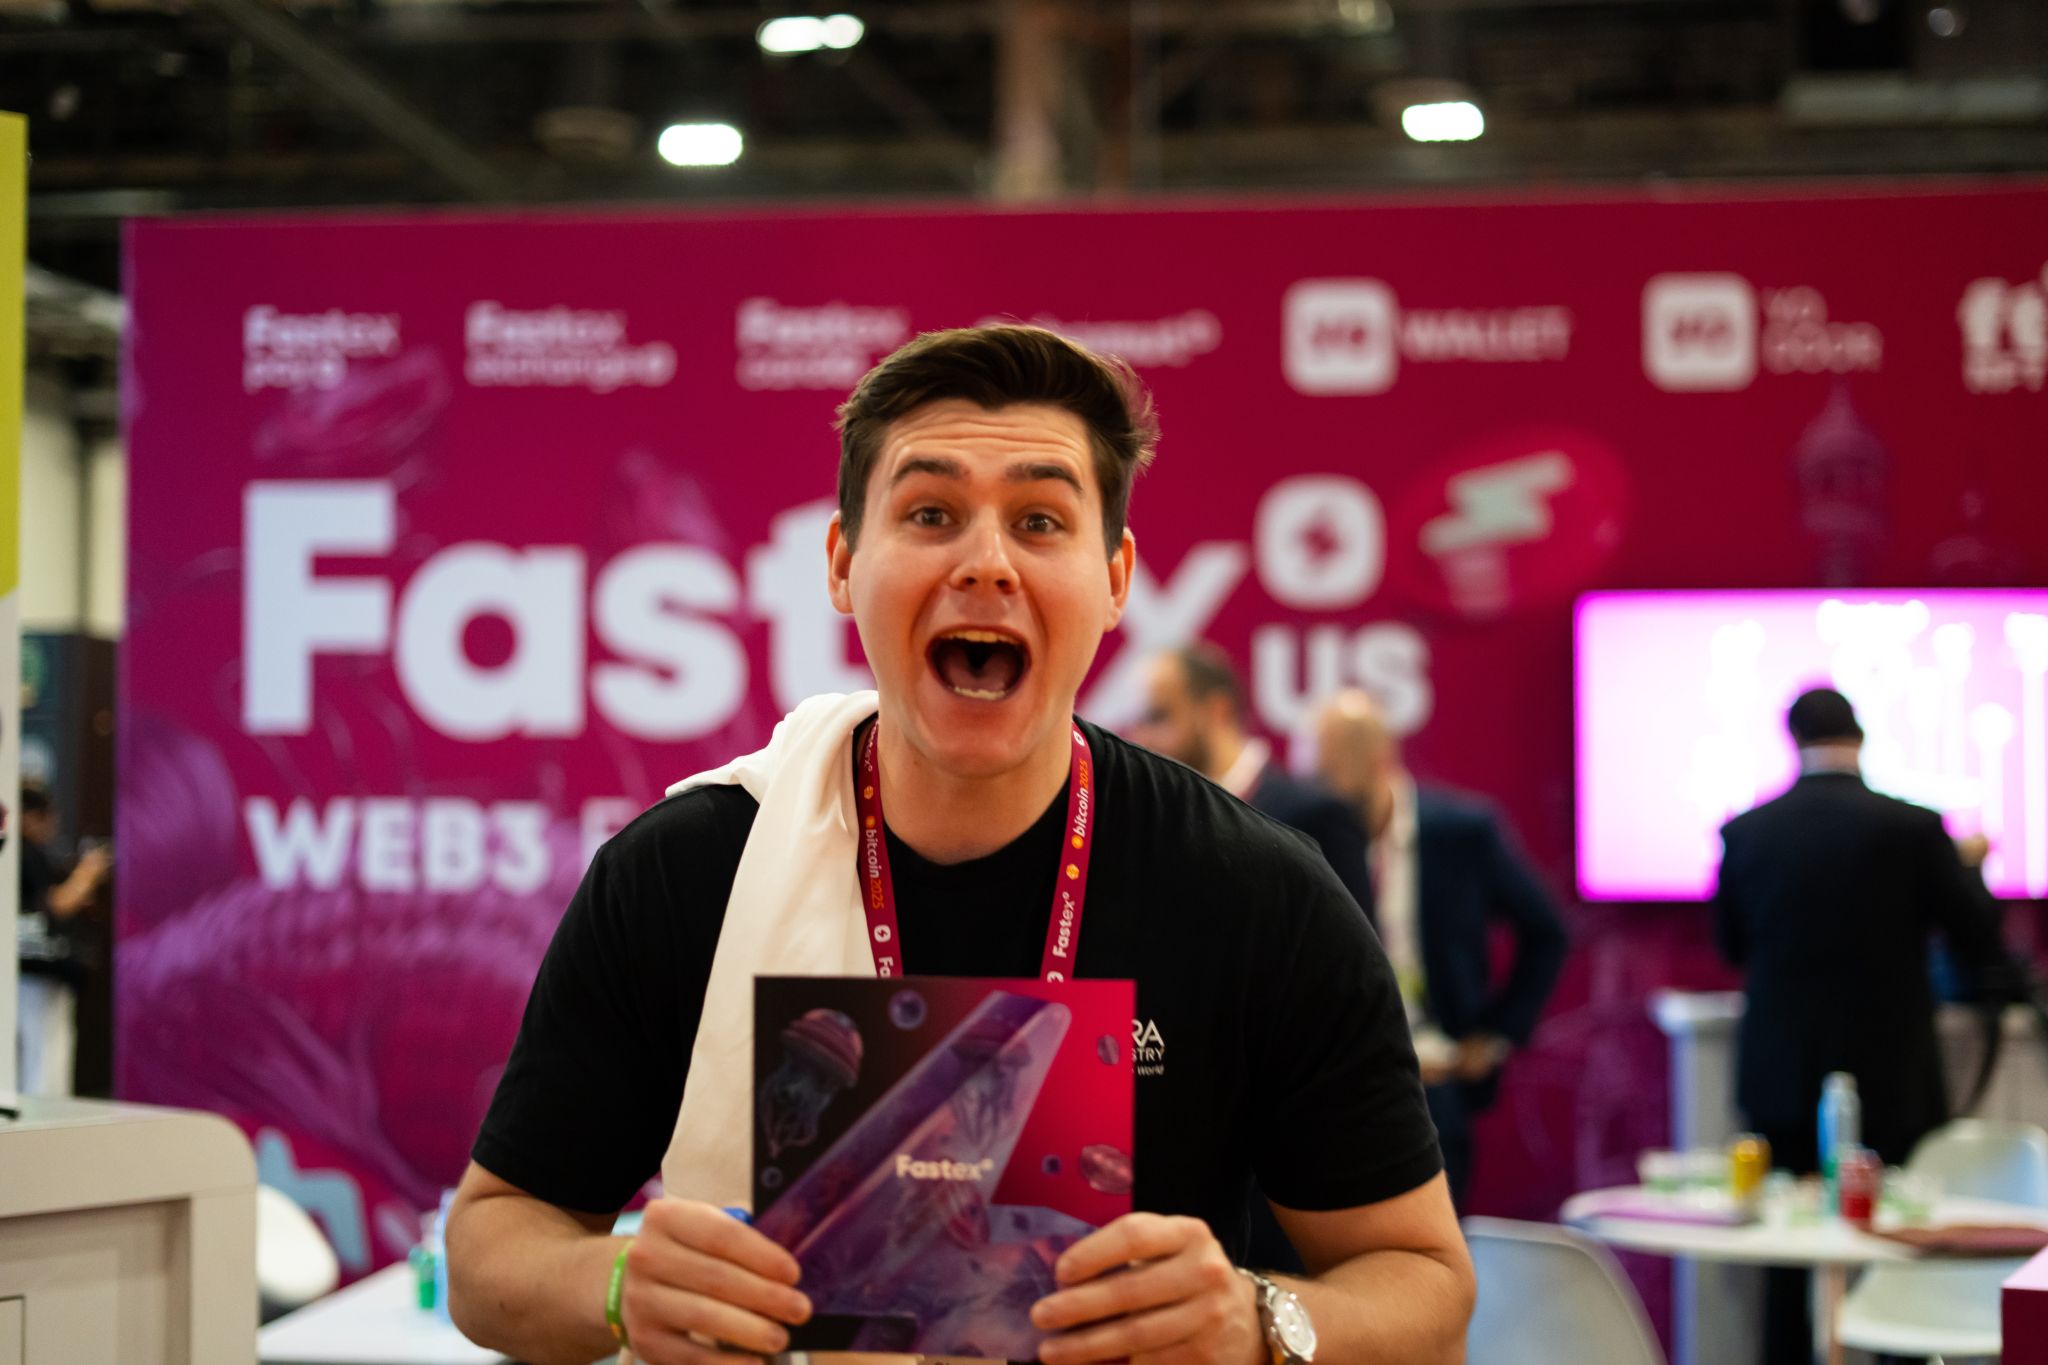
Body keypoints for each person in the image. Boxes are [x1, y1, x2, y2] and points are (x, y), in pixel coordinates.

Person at [447, 325, 1473, 1365]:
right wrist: (618, 1282)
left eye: (1040, 521)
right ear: (842, 564)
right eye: (930, 513)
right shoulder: (685, 873)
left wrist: (1257, 1322)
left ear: (1115, 578)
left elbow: (1425, 1286)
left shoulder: (1255, 893)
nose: (986, 562)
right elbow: (493, 1245)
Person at [1715, 686, 2006, 1365]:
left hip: (1781, 1073)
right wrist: (1970, 866)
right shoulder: (1915, 828)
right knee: (1899, 1247)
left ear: (1793, 739)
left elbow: (1730, 945)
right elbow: (1977, 937)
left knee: (1783, 1252)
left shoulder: (1748, 831)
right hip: (1892, 1074)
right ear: (1861, 736)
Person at [1308, 690, 1569, 1209]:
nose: (1326, 778)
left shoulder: (1462, 831)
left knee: (1435, 1231)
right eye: (1321, 762)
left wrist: (1495, 1035)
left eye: (1340, 760)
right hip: (1338, 1081)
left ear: (1382, 756)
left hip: (1434, 1079)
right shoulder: (1313, 832)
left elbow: (1547, 931)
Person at [1129, 644, 1374, 919]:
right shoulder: (1155, 821)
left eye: (1158, 716)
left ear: (1217, 711)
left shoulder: (1316, 815)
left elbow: (1355, 943)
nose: (1140, 739)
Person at [15, 782, 111, 1096]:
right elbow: (57, 905)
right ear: (32, 817)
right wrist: (87, 873)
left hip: (22, 966)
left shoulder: (19, 853)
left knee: (32, 1047)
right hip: (38, 965)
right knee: (45, 1048)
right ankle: (43, 1110)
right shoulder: (25, 852)